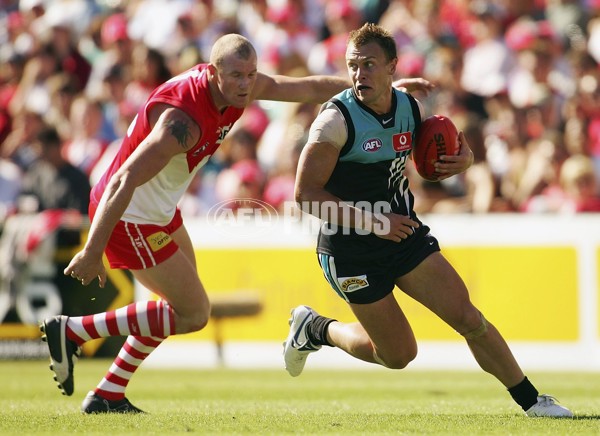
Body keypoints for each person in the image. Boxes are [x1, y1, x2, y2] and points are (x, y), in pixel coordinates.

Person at [38, 32, 432, 414]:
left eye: (250, 75)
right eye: (237, 77)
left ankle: (109, 392)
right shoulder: (182, 123)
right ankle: (74, 330)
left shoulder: (234, 84)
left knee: (175, 306)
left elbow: (306, 88)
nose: (246, 85)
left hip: (158, 210)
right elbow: (123, 178)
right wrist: (93, 250)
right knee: (193, 313)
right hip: (128, 214)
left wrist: (383, 89)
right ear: (213, 73)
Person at [283, 23, 573, 418]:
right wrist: (374, 223)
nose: (359, 73)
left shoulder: (410, 108)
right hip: (350, 250)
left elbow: (438, 154)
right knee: (399, 355)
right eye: (353, 65)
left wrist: (465, 159)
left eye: (369, 64)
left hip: (403, 235)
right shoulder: (334, 121)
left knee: (468, 317)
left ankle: (532, 401)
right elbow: (305, 196)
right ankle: (316, 329)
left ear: (392, 68)